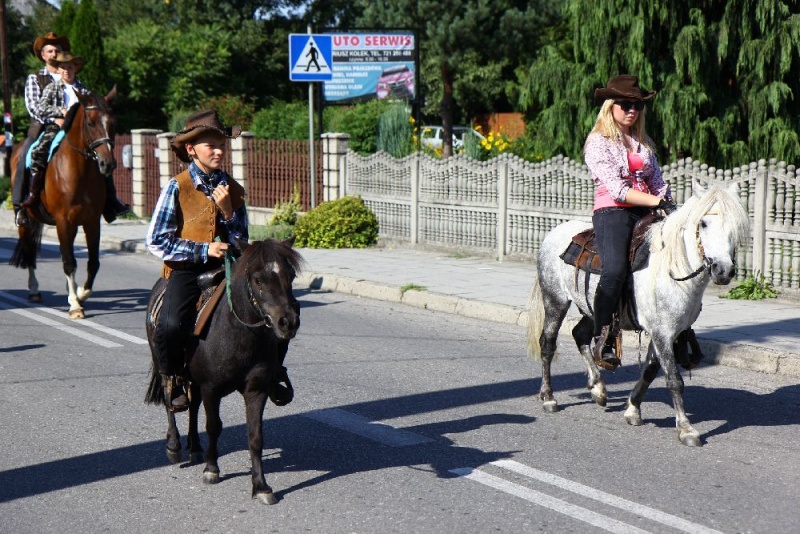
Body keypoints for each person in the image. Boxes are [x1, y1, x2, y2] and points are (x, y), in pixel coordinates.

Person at [145, 110, 248, 411]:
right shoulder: (177, 187)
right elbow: (156, 240)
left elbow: (242, 238)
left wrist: (228, 211)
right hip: (187, 269)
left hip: (227, 267)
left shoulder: (233, 189)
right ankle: (173, 377)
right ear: (191, 149)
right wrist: (203, 251)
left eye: (222, 145)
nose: (218, 151)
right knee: (172, 323)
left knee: (268, 306)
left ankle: (271, 373)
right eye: (210, 146)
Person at [585, 74, 675, 370]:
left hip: (649, 209)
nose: (631, 110)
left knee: (677, 262)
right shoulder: (597, 142)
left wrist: (667, 202)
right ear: (610, 107)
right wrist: (656, 202)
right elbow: (618, 189)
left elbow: (657, 180)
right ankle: (603, 337)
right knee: (615, 270)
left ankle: (682, 333)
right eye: (624, 104)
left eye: (636, 105)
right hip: (613, 211)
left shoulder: (643, 142)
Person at [18, 51, 130, 225]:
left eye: (70, 67)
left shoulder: (84, 89)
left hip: (81, 131)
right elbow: (41, 109)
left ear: (75, 69)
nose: (66, 70)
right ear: (59, 70)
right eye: (63, 67)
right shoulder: (52, 87)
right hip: (58, 127)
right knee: (38, 151)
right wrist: (60, 112)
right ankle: (33, 195)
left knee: (103, 155)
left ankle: (111, 200)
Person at [13, 32, 69, 227]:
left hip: (70, 128)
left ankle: (109, 202)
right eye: (50, 50)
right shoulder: (35, 78)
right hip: (42, 128)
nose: (54, 53)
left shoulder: (70, 77)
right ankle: (20, 206)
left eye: (58, 50)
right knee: (24, 158)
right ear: (43, 56)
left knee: (100, 153)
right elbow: (34, 107)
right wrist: (56, 118)